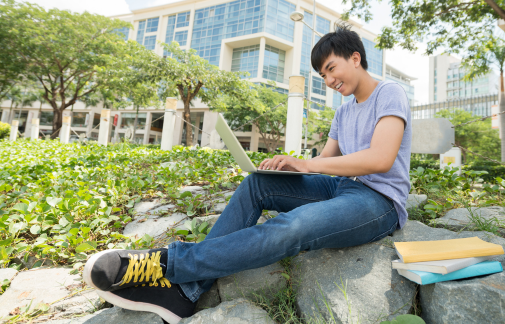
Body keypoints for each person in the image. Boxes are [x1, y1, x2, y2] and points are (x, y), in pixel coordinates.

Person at [82, 24, 412, 323]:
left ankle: (165, 265)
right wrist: (291, 165)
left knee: (294, 226)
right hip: (340, 189)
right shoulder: (343, 110)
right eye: (322, 76)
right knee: (259, 184)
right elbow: (328, 160)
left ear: (355, 58)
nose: (328, 81)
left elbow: (380, 159)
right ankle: (185, 294)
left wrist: (308, 165)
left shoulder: (389, 93)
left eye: (330, 69)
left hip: (378, 202)